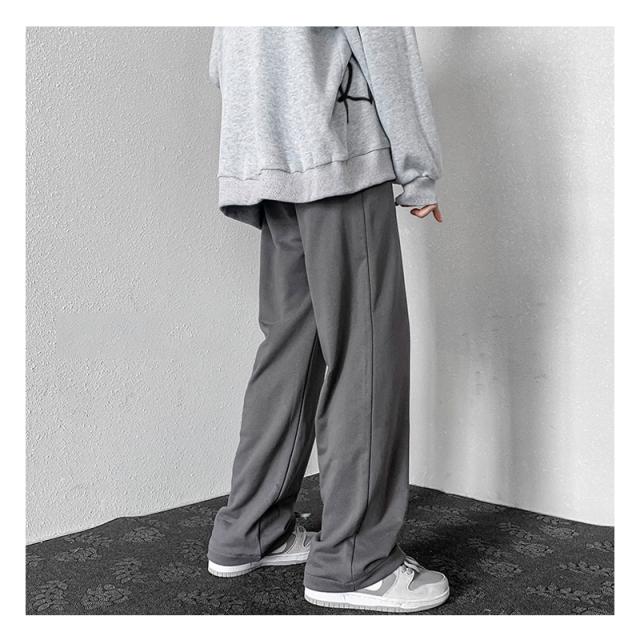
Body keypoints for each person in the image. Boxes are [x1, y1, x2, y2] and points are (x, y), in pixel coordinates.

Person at [206, 26, 449, 613]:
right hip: (336, 152)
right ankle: (355, 563)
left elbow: (221, 60)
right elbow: (383, 39)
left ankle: (252, 530)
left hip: (266, 154)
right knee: (367, 353)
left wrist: (265, 130)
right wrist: (417, 168)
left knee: (291, 346)